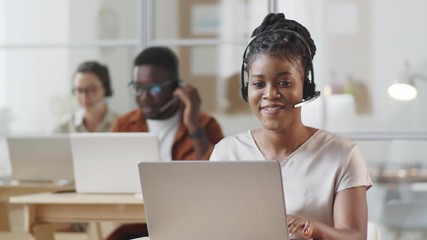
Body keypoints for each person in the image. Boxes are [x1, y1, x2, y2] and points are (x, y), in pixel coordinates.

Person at [210, 13, 372, 240]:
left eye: (284, 83)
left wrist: (313, 227)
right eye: (258, 84)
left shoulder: (342, 154)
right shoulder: (226, 153)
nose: (270, 94)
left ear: (305, 87)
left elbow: (355, 237)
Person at [106, 46, 224, 240]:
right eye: (138, 87)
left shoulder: (205, 125)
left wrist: (192, 123)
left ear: (177, 88)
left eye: (155, 88)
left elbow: (217, 178)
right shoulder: (124, 124)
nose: (144, 96)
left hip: (190, 226)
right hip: (136, 225)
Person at [54, 61, 118, 133]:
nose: (84, 97)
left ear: (105, 89)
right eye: (79, 90)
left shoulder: (123, 125)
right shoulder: (63, 128)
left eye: (91, 89)